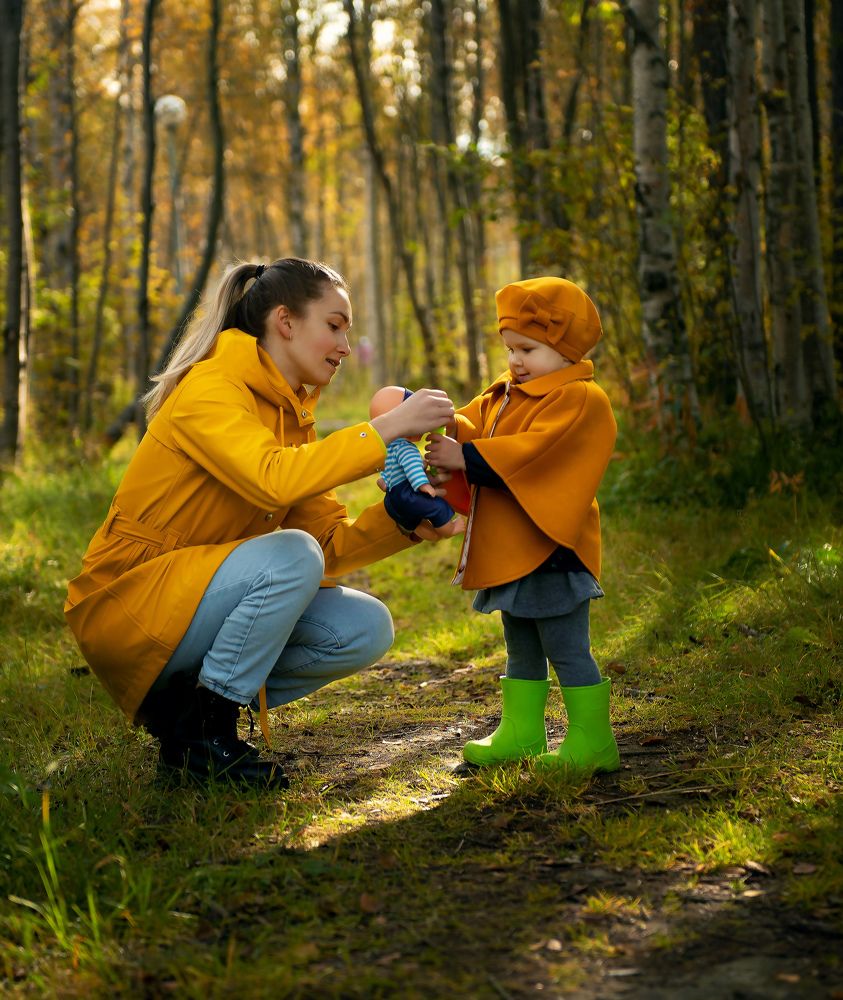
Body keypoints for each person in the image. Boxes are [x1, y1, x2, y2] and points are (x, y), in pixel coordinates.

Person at [64, 258, 455, 789]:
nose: (344, 345)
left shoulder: (291, 416)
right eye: (334, 325)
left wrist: (401, 519)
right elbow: (271, 480)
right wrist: (385, 430)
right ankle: (207, 737)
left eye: (348, 331)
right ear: (285, 321)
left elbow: (328, 546)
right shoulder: (211, 389)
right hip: (128, 604)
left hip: (193, 600)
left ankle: (185, 719)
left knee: (364, 626)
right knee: (289, 554)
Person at [425, 276, 620, 773]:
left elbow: (533, 453)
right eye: (510, 347)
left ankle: (594, 740)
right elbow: (474, 424)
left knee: (566, 646)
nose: (515, 360)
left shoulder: (578, 399)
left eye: (528, 349)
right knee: (520, 642)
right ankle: (523, 731)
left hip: (554, 549)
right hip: (514, 548)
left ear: (566, 349)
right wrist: (439, 425)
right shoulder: (508, 393)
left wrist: (467, 457)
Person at [369, 385, 465, 540]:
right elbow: (412, 469)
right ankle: (450, 530)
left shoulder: (387, 449)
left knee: (415, 523)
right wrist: (423, 485)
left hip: (391, 499)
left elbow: (387, 474)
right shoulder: (405, 448)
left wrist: (385, 483)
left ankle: (429, 534)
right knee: (437, 507)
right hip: (407, 493)